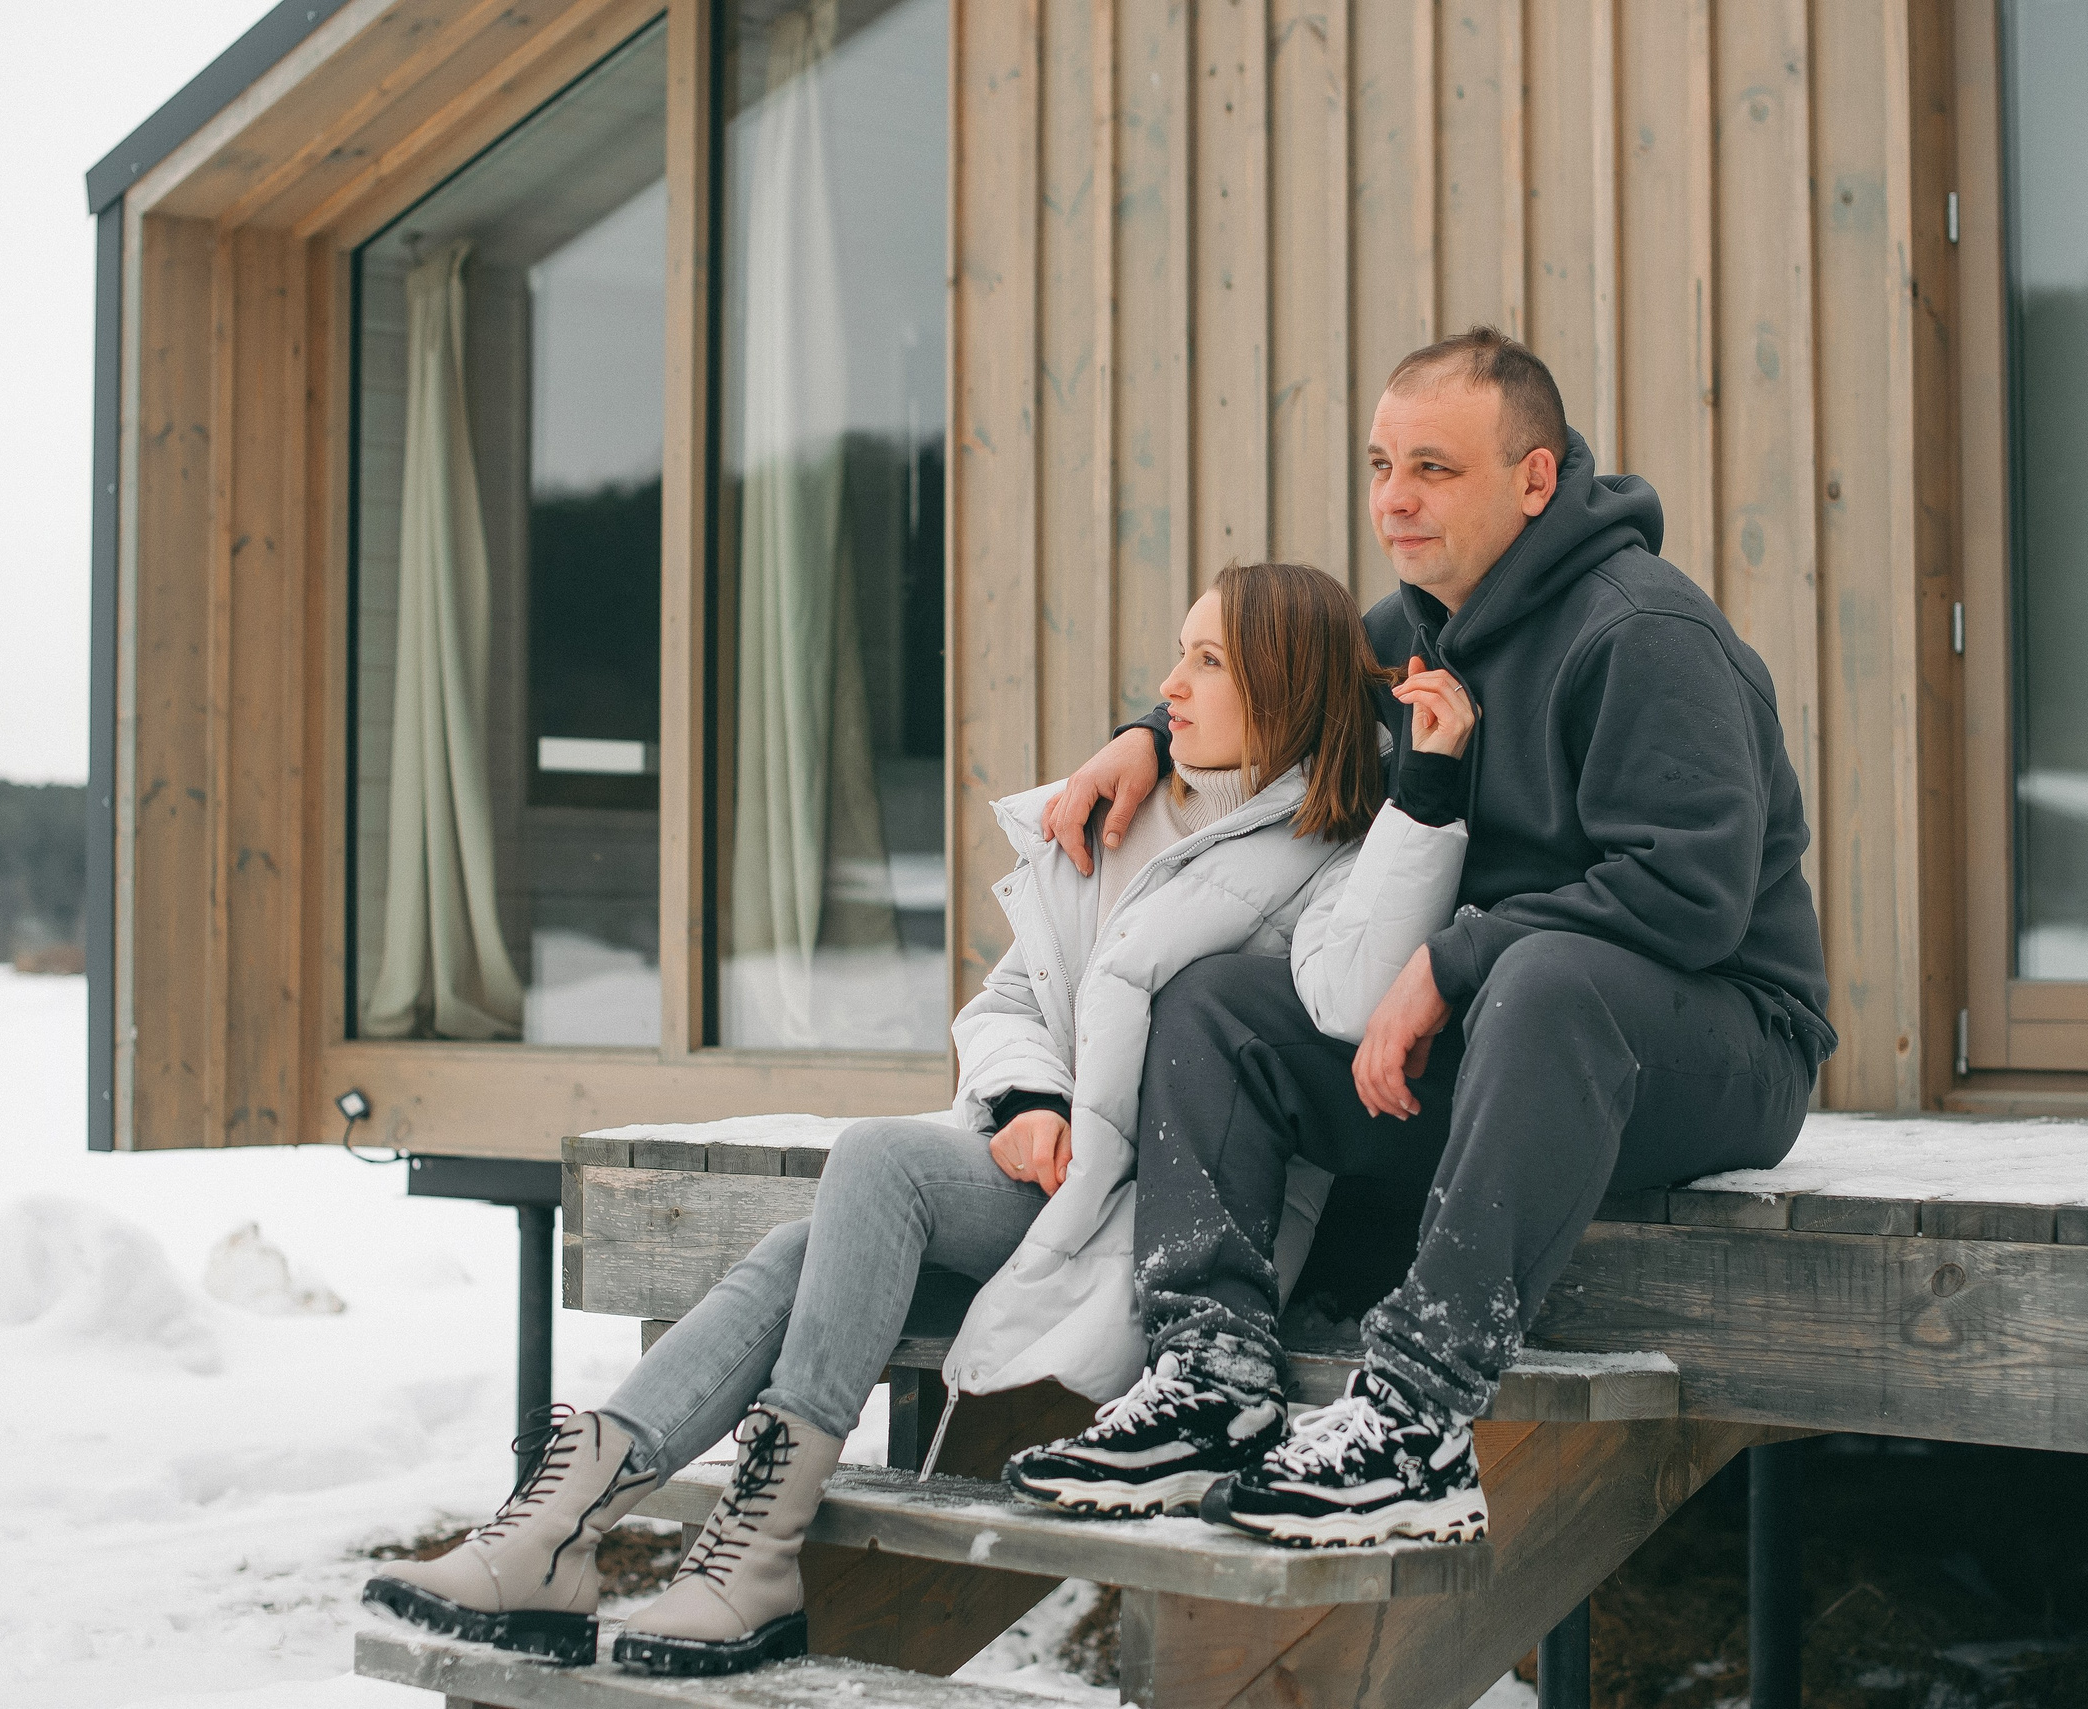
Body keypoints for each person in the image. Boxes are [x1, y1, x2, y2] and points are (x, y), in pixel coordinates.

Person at [364, 561, 1475, 1673]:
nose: (1169, 684)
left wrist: (1425, 793)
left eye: (1208, 660)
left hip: (1171, 1221)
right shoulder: (1124, 816)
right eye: (1179, 651)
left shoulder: (1340, 853)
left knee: (880, 1162)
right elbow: (1003, 1000)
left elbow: (1349, 996)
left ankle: (727, 1550)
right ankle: (565, 1528)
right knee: (814, 1240)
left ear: (1285, 684)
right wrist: (1032, 1098)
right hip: (1057, 1178)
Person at [1014, 326, 1834, 1551]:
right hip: (1504, 1040)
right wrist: (1143, 733)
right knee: (1221, 1002)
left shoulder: (1643, 634)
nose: (1393, 498)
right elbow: (1274, 679)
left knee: (1545, 978)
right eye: (1380, 462)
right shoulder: (1417, 624)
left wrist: (1453, 959)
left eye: (1434, 469)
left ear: (1535, 479)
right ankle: (1211, 1374)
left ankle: (1416, 1412)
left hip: (1714, 1040)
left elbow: (1687, 895)